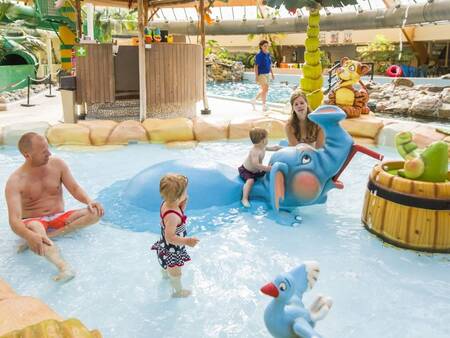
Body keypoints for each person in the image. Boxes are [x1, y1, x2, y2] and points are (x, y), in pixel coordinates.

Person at [5, 132, 104, 282]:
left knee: (95, 213)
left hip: (58, 217)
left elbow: (75, 189)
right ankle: (64, 267)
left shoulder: (58, 165)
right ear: (27, 155)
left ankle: (50, 236)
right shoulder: (15, 181)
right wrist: (29, 235)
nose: (49, 153)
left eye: (48, 149)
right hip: (34, 220)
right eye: (44, 152)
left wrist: (89, 201)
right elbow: (14, 221)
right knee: (37, 229)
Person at [151, 174, 199, 298]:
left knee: (167, 267)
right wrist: (187, 241)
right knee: (176, 273)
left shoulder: (167, 204)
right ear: (179, 196)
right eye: (185, 191)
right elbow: (170, 237)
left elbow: (179, 212)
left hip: (166, 247)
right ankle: (178, 292)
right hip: (172, 250)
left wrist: (183, 203)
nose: (187, 193)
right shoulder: (172, 217)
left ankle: (165, 275)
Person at [239, 128, 281, 208]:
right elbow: (256, 165)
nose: (268, 139)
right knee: (250, 181)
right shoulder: (255, 151)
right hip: (247, 171)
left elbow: (274, 148)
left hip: (257, 171)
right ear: (263, 140)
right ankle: (244, 199)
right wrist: (267, 168)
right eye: (267, 138)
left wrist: (282, 148)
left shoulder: (263, 147)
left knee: (267, 173)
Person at [252, 40, 275, 112]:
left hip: (267, 74)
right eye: (265, 46)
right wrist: (256, 76)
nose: (266, 47)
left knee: (265, 90)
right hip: (261, 74)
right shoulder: (259, 55)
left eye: (267, 46)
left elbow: (269, 65)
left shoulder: (268, 54)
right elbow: (256, 66)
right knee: (265, 89)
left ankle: (257, 102)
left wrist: (272, 73)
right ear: (261, 46)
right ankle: (261, 104)